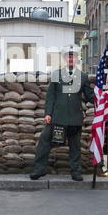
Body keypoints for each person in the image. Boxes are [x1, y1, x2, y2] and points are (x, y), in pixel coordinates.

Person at [30, 44, 94, 181]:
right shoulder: (56, 74)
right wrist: (48, 113)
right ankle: (39, 169)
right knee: (44, 139)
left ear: (77, 59)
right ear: (65, 58)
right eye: (68, 56)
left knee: (75, 145)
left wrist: (103, 96)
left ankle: (75, 171)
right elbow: (50, 96)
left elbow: (89, 96)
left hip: (75, 116)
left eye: (74, 56)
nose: (71, 59)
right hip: (57, 116)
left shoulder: (83, 77)